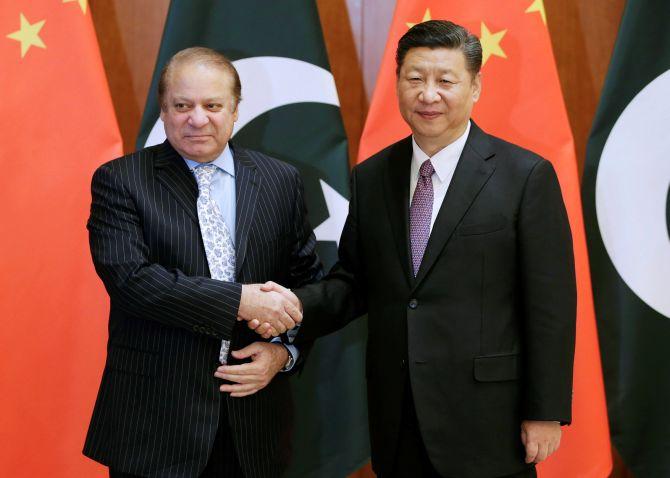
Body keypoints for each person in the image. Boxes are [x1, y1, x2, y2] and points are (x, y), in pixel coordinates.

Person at [259, 20, 576, 478]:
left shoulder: (524, 176)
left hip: (489, 418)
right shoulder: (371, 177)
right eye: (415, 78)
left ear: (475, 87)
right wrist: (290, 306)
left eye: (445, 80)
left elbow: (551, 305)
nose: (429, 94)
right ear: (398, 84)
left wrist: (544, 411)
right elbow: (353, 283)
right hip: (398, 415)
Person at [83, 47, 321, 478]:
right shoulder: (120, 181)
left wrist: (283, 352)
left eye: (212, 106)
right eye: (182, 105)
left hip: (254, 425)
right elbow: (133, 282)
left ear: (234, 111)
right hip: (155, 426)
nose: (197, 119)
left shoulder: (280, 181)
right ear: (164, 110)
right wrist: (241, 302)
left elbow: (309, 286)